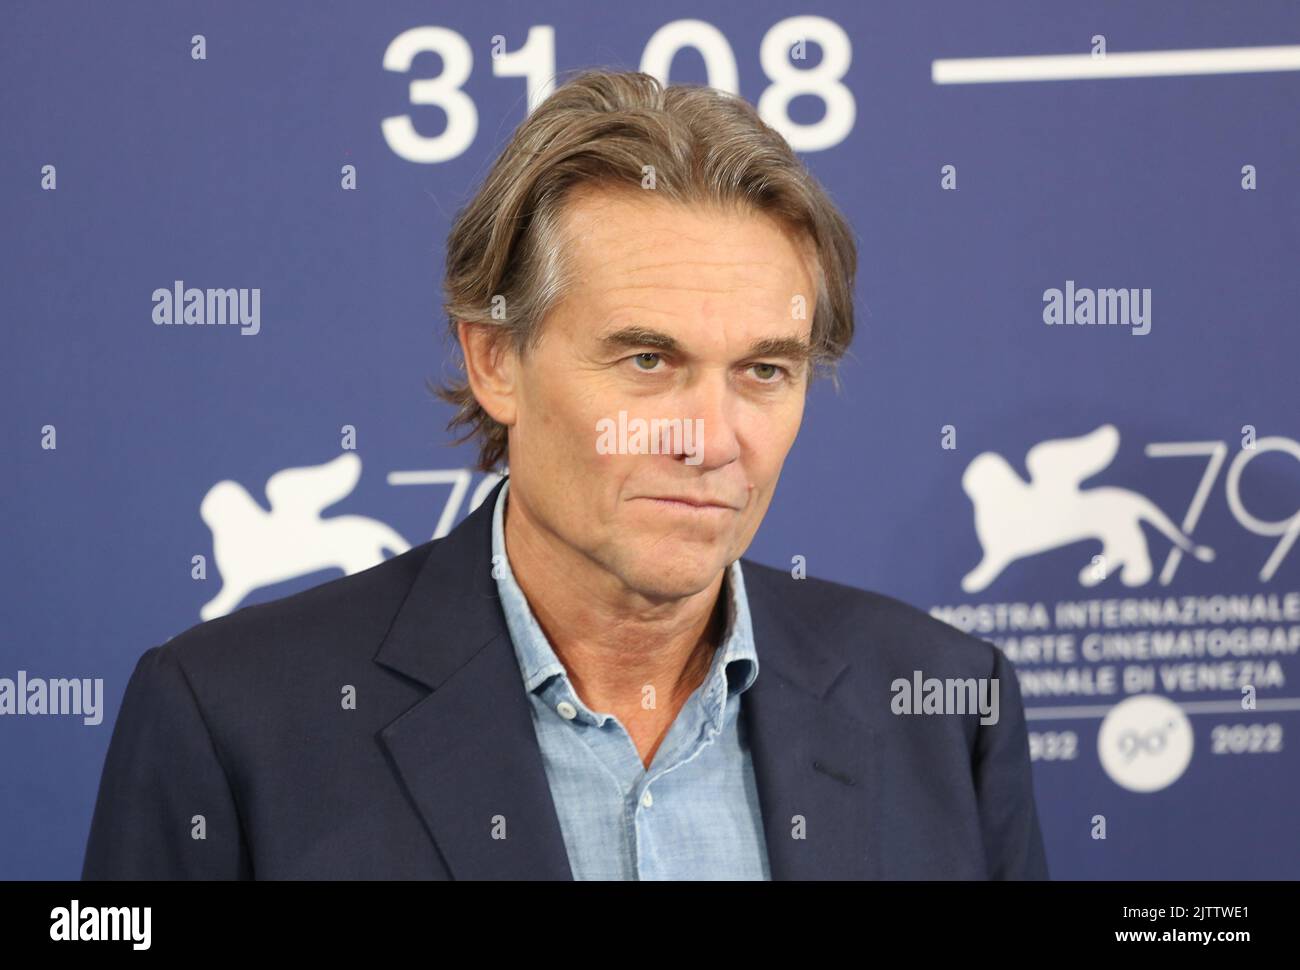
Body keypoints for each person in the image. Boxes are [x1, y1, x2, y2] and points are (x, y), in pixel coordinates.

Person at [82, 68, 1048, 880]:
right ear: (495, 361)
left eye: (764, 370)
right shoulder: (233, 718)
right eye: (647, 361)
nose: (710, 439)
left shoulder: (943, 701)